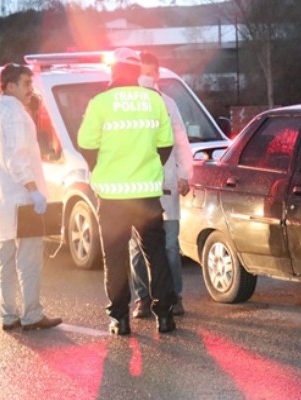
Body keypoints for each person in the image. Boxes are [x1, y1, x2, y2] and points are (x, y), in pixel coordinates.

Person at [77, 48, 177, 335]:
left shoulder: (99, 103)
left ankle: (120, 319)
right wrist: (148, 168)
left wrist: (100, 167)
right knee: (156, 253)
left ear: (113, 71)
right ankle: (165, 315)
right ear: (137, 72)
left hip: (111, 196)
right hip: (146, 194)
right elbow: (166, 144)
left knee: (115, 256)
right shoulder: (154, 100)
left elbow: (86, 143)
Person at [0, 63, 62, 331]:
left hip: (4, 200)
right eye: (26, 84)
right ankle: (32, 314)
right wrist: (33, 190)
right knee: (29, 260)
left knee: (6, 259)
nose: (31, 90)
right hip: (22, 200)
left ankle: (9, 315)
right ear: (10, 85)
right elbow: (16, 157)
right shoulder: (13, 112)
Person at [130, 51, 193, 319]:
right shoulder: (128, 106)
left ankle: (173, 296)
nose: (146, 78)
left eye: (150, 73)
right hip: (135, 187)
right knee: (137, 246)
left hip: (164, 184)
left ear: (157, 75)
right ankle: (143, 297)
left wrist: (185, 174)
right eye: (141, 72)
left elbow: (180, 140)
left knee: (169, 244)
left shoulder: (167, 104)